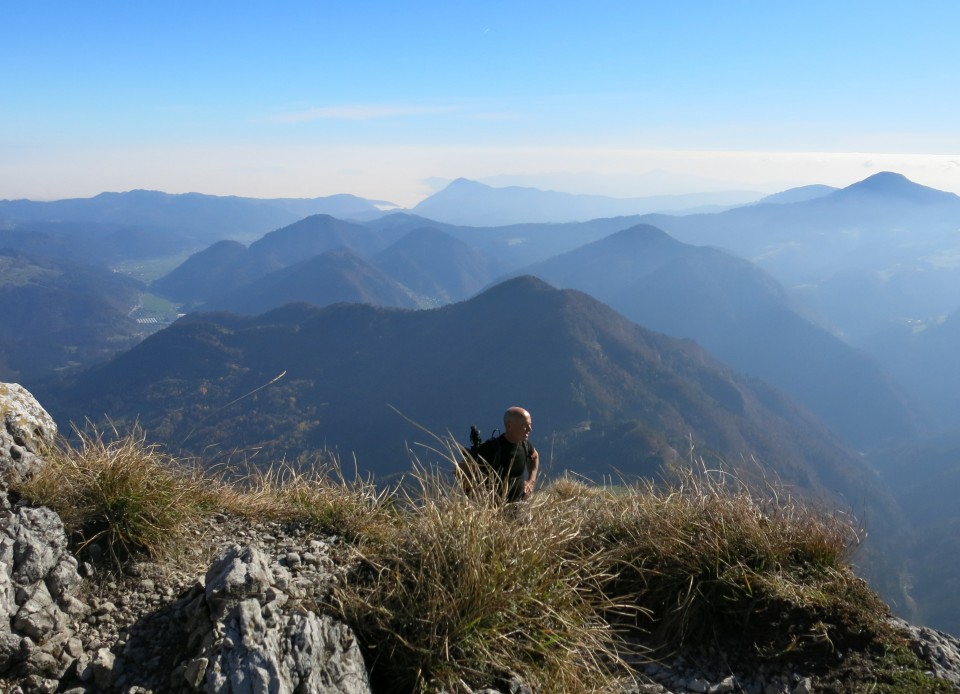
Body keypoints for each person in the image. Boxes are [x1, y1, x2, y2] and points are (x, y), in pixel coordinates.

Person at [473, 406, 540, 503]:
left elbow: (535, 456)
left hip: (519, 509)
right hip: (493, 512)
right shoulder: (491, 448)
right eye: (525, 426)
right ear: (509, 426)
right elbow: (460, 471)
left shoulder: (525, 445)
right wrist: (475, 495)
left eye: (530, 425)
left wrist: (531, 482)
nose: (530, 429)